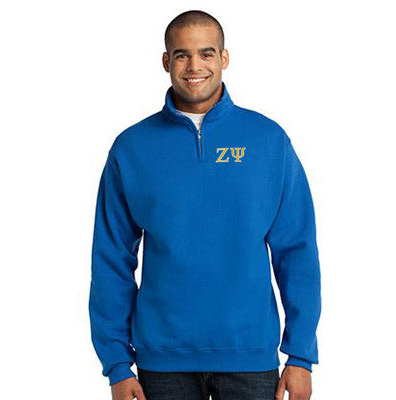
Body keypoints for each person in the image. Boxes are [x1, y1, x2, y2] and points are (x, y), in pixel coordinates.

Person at [89, 9, 321, 400]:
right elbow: (111, 259)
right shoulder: (131, 148)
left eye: (206, 53)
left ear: (224, 58)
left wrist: (300, 355)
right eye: (182, 54)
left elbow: (296, 251)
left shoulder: (267, 140)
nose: (194, 66)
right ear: (166, 61)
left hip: (250, 357)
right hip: (161, 362)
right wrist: (116, 365)